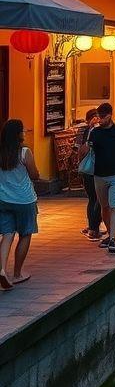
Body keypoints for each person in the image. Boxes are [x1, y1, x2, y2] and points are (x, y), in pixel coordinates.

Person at [81, 103, 115, 254]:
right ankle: (110, 235)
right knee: (104, 206)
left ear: (109, 115)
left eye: (102, 117)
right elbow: (85, 151)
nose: (100, 120)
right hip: (99, 175)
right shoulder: (95, 132)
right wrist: (89, 130)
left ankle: (113, 238)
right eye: (98, 117)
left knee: (114, 205)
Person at [0, 119, 39, 289]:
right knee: (25, 233)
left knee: (7, 235)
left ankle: (1, 270)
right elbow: (35, 174)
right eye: (23, 130)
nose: (25, 132)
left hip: (3, 199)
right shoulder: (24, 152)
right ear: (18, 134)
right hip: (24, 200)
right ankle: (17, 273)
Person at [80, 108, 105, 241]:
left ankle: (93, 226)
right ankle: (93, 229)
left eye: (98, 117)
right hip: (92, 170)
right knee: (96, 199)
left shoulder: (97, 131)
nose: (97, 120)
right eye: (94, 117)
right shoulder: (88, 131)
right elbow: (83, 150)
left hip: (94, 169)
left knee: (96, 199)